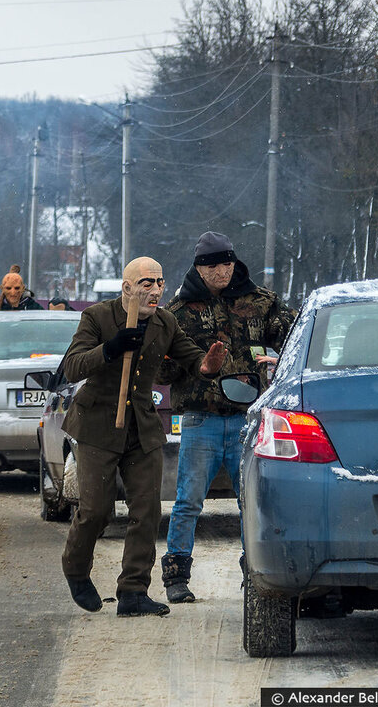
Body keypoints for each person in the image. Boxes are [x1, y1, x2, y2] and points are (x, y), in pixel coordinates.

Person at [60, 256, 226, 617]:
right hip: (97, 425)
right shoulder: (98, 317)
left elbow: (190, 357)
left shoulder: (165, 322)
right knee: (96, 510)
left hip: (141, 426)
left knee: (147, 510)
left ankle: (133, 591)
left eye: (160, 282)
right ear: (127, 288)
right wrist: (111, 347)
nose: (154, 290)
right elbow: (72, 366)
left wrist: (207, 365)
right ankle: (75, 569)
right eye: (146, 283)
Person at [158, 231, 296, 604]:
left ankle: (256, 571)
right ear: (199, 268)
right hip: (200, 418)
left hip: (248, 420)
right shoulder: (178, 312)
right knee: (188, 500)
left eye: (227, 263)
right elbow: (161, 373)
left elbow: (297, 340)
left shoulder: (261, 302)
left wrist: (279, 360)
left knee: (250, 501)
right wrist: (188, 364)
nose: (222, 271)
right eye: (214, 264)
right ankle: (176, 575)